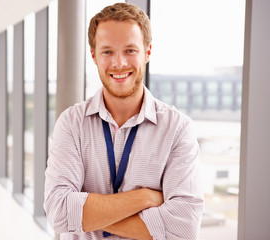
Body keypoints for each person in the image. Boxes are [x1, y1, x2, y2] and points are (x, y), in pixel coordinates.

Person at [44, 3, 204, 240]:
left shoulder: (177, 129)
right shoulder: (71, 123)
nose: (119, 63)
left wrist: (88, 217)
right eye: (107, 51)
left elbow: (184, 227)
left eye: (130, 50)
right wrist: (145, 198)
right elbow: (58, 212)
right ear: (94, 56)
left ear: (147, 52)